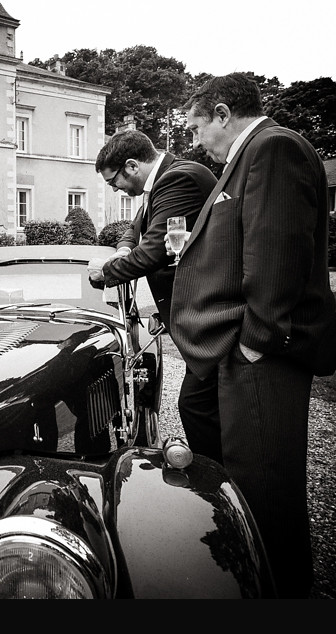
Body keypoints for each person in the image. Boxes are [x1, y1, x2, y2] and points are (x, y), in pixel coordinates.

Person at [169, 73, 336, 598]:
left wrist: (254, 341)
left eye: (199, 127)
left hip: (262, 353)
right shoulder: (256, 154)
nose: (198, 142)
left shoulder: (273, 148)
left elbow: (277, 256)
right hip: (245, 349)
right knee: (248, 475)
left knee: (266, 487)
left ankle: (281, 593)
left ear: (223, 114)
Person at [88, 129, 222, 464]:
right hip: (191, 312)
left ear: (131, 166)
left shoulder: (178, 180)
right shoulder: (162, 182)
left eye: (113, 181)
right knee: (200, 404)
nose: (115, 188)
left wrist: (104, 272)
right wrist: (121, 250)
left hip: (210, 313)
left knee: (198, 406)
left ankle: (217, 478)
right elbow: (134, 231)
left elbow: (155, 251)